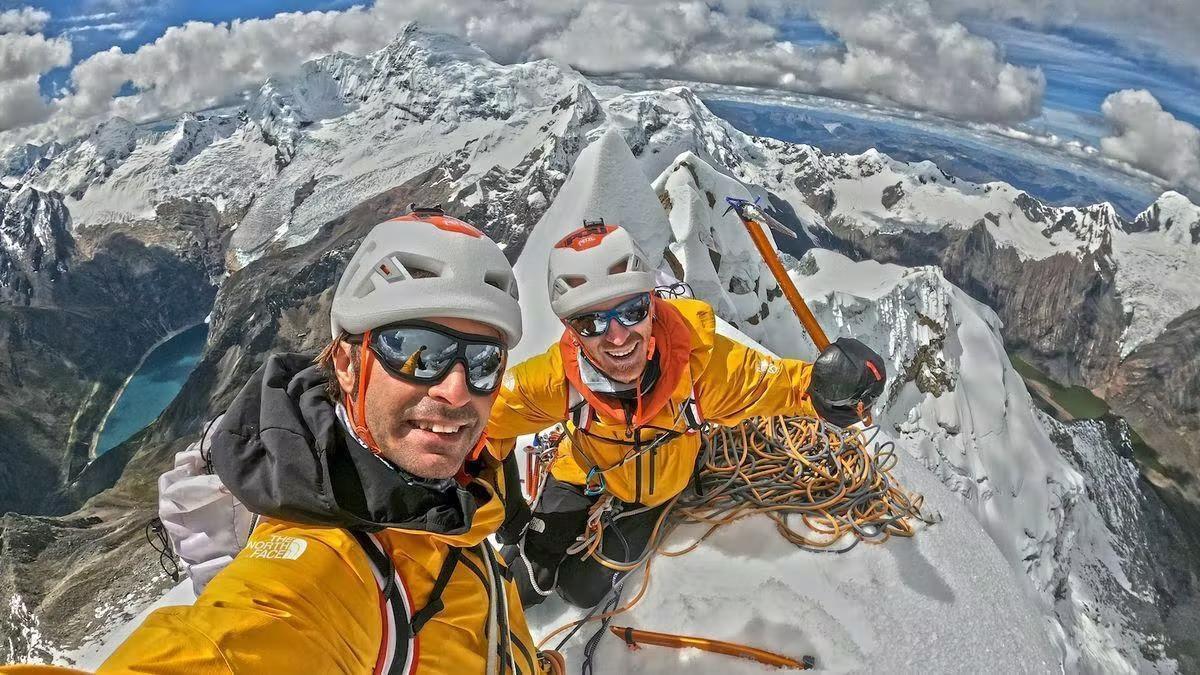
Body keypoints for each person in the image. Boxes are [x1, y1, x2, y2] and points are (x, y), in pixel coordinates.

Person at [95, 208, 542, 674]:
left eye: (484, 361)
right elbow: (235, 642)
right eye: (416, 351)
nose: (456, 389)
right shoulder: (324, 568)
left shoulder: (441, 494)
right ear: (347, 366)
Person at [491, 220, 886, 609]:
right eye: (591, 322)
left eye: (631, 310)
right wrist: (510, 514)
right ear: (570, 329)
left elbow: (776, 384)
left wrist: (828, 392)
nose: (617, 337)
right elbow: (483, 419)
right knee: (524, 581)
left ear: (652, 304)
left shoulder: (700, 367)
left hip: (653, 495)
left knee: (581, 590)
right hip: (579, 473)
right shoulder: (555, 381)